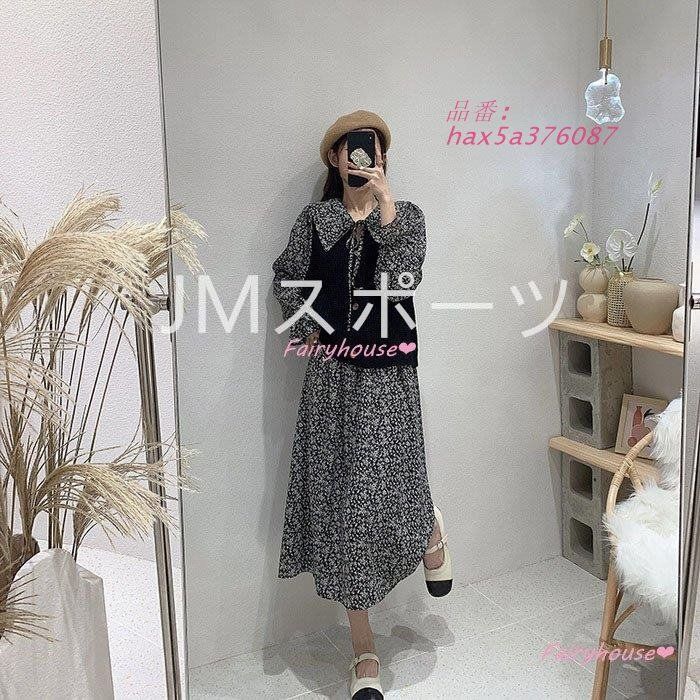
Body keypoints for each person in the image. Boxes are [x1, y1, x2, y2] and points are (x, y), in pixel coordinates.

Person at [272, 110, 453, 700]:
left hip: (388, 374)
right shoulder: (315, 222)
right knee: (346, 509)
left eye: (371, 148)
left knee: (398, 478)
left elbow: (404, 281)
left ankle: (427, 527)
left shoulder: (406, 218)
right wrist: (312, 324)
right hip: (332, 381)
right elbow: (284, 279)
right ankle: (364, 648)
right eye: (351, 149)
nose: (360, 157)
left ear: (381, 157)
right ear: (334, 158)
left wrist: (387, 209)